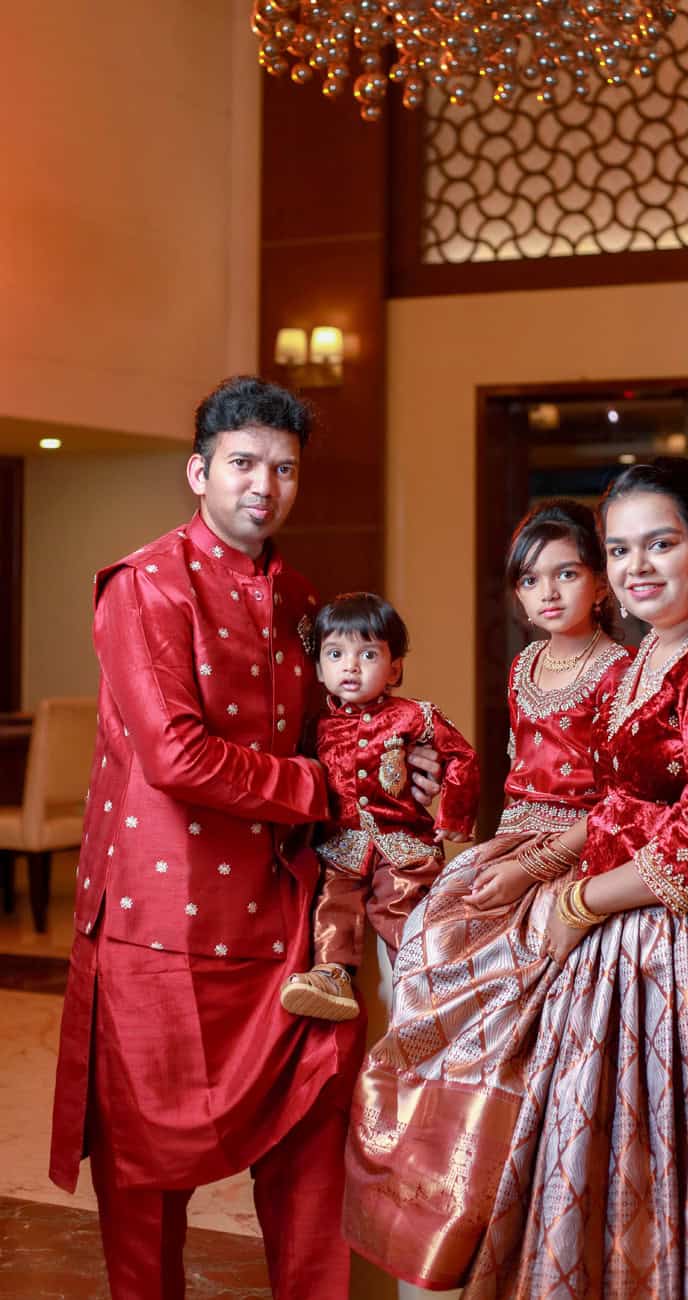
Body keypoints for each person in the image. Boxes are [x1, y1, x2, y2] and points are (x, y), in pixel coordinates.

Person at [343, 461, 688, 1297]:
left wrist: (575, 900)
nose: (638, 567)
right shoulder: (661, 646)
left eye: (661, 543)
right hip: (637, 921)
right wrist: (545, 869)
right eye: (621, 549)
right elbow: (620, 799)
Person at [47, 375, 439, 1300]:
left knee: (315, 1146)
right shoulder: (142, 587)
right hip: (160, 926)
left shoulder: (302, 597)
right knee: (144, 1180)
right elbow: (177, 754)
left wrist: (403, 763)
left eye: (286, 468)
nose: (265, 484)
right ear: (200, 472)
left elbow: (334, 731)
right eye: (244, 464)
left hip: (287, 919)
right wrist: (323, 786)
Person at [343, 498, 631, 1287]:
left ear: (601, 583)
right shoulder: (522, 666)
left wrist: (534, 870)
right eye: (530, 579)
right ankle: (429, 1166)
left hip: (583, 849)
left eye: (567, 573)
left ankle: (516, 1172)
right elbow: (504, 772)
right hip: (513, 835)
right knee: (433, 934)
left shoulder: (622, 670)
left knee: (524, 976)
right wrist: (476, 842)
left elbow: (620, 803)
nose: (547, 593)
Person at [280, 591, 480, 1022]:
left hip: (402, 842)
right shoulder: (313, 727)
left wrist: (457, 817)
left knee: (404, 907)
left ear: (395, 669)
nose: (350, 666)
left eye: (367, 654)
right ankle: (332, 974)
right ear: (318, 668)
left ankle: (422, 980)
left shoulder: (416, 717)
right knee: (334, 902)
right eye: (336, 653)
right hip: (341, 845)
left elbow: (462, 757)